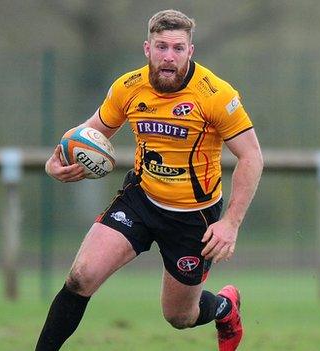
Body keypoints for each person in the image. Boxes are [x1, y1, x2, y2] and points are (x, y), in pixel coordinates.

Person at [37, 9, 263, 351]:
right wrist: (56, 161)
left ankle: (224, 308)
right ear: (147, 49)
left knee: (178, 316)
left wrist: (230, 223)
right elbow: (89, 132)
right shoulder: (128, 87)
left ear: (191, 51)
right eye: (161, 47)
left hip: (193, 215)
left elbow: (252, 157)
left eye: (177, 48)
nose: (169, 57)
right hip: (140, 199)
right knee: (80, 277)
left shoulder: (215, 95)